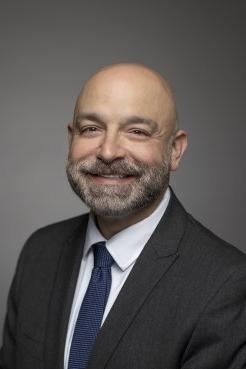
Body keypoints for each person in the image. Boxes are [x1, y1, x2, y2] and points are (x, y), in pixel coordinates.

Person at [1, 63, 246, 369]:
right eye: (91, 128)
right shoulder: (40, 252)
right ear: (70, 139)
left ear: (175, 150)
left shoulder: (226, 284)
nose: (108, 152)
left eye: (137, 132)